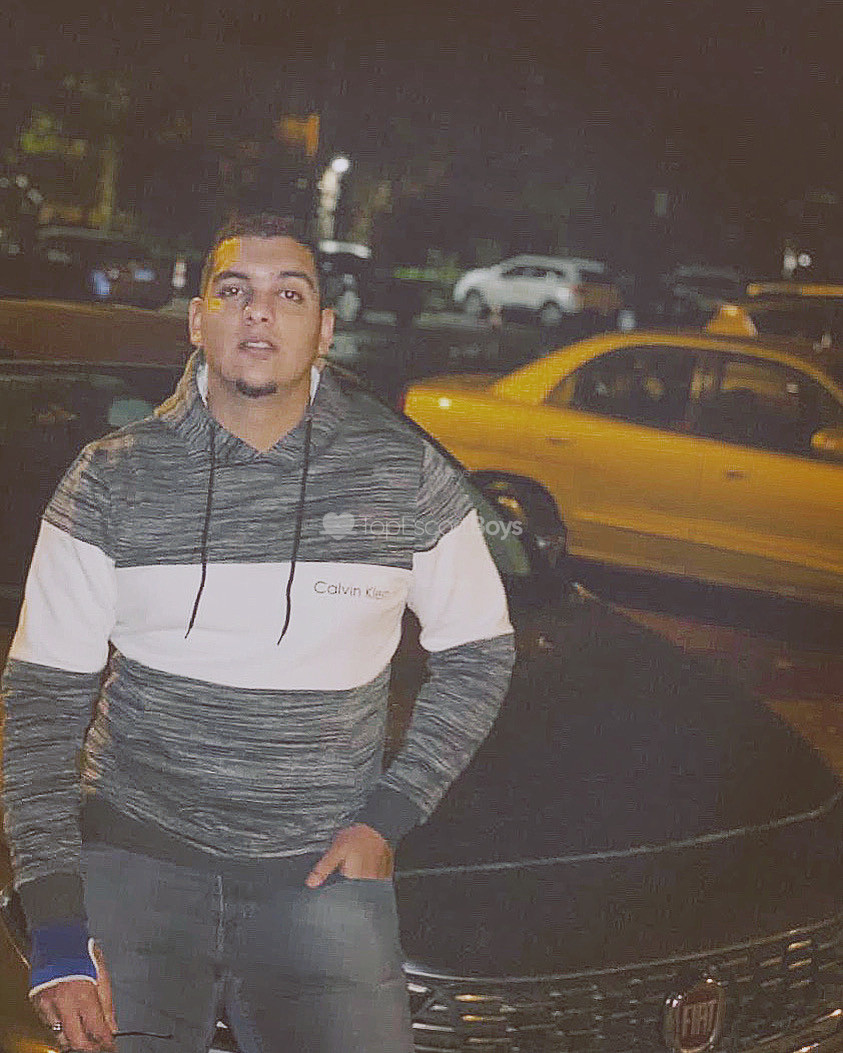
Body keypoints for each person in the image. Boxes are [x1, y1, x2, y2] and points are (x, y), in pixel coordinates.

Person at [0, 213, 516, 1053]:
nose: (260, 311)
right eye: (234, 290)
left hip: (322, 877)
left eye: (290, 294)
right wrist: (57, 922)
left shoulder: (402, 473)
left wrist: (389, 813)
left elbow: (479, 652)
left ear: (325, 328)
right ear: (197, 320)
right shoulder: (111, 478)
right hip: (135, 868)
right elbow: (40, 705)